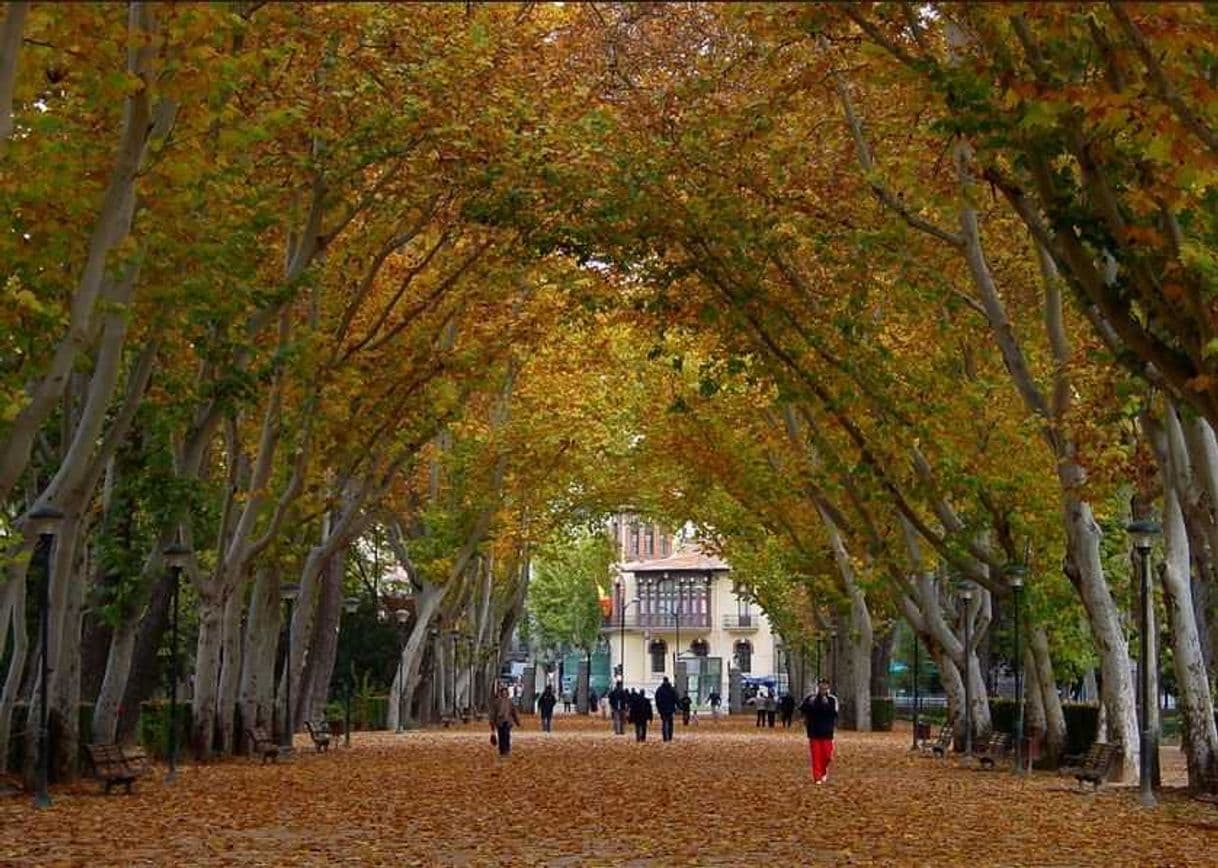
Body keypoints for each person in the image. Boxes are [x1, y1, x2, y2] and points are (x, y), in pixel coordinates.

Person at [799, 679, 839, 784]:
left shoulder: (832, 700)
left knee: (827, 755)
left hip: (827, 731)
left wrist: (827, 705)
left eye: (825, 688)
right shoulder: (811, 699)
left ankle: (823, 770)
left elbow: (834, 714)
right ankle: (817, 777)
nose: (823, 690)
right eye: (821, 688)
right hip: (814, 731)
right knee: (816, 755)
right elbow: (803, 710)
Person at [491, 686, 522, 757]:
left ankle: (507, 750)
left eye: (505, 693)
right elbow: (494, 713)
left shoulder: (510, 702)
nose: (504, 694)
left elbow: (514, 712)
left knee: (507, 736)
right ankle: (502, 750)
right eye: (503, 693)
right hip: (499, 722)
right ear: (501, 693)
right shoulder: (497, 702)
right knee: (501, 736)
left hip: (508, 722)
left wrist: (517, 721)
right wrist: (492, 722)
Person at [654, 676, 678, 742]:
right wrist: (678, 706)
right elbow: (676, 698)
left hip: (663, 709)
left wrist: (658, 708)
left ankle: (665, 737)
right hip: (670, 709)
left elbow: (657, 700)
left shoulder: (659, 690)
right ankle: (670, 737)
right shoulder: (672, 689)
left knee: (664, 723)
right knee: (670, 723)